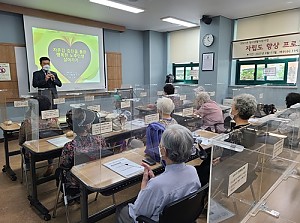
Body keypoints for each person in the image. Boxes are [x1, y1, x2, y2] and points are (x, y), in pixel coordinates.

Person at [116, 124, 201, 223]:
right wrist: (155, 182)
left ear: (163, 151)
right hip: (183, 218)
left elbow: (138, 213)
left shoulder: (156, 185)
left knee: (122, 210)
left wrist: (144, 190)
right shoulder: (192, 171)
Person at [59, 108, 107, 195]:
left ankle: (71, 197)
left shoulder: (69, 147)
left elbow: (65, 165)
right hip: (98, 177)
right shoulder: (100, 140)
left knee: (58, 172)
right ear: (88, 125)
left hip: (77, 183)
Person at [19, 95, 61, 177]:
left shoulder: (27, 123)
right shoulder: (53, 121)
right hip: (54, 152)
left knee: (26, 147)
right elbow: (58, 136)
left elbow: (21, 141)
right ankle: (50, 164)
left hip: (34, 154)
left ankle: (30, 169)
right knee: (48, 142)